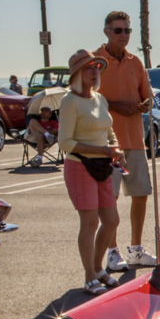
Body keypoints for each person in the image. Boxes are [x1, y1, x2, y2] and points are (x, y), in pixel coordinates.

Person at [57, 50, 125, 296]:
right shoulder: (70, 101)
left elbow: (109, 131)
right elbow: (64, 142)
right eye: (88, 67)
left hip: (104, 165)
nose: (94, 70)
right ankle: (89, 277)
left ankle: (98, 269)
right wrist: (102, 150)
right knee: (89, 222)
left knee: (112, 220)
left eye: (96, 66)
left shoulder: (100, 98)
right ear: (77, 73)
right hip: (80, 166)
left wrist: (116, 149)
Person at [94, 11, 157, 271]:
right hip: (107, 143)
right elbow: (87, 99)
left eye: (127, 31)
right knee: (110, 199)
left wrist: (144, 104)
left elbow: (149, 96)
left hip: (134, 141)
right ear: (107, 31)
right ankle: (112, 251)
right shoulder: (95, 61)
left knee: (140, 194)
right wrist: (118, 106)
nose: (123, 36)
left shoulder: (135, 62)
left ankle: (136, 249)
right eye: (118, 31)